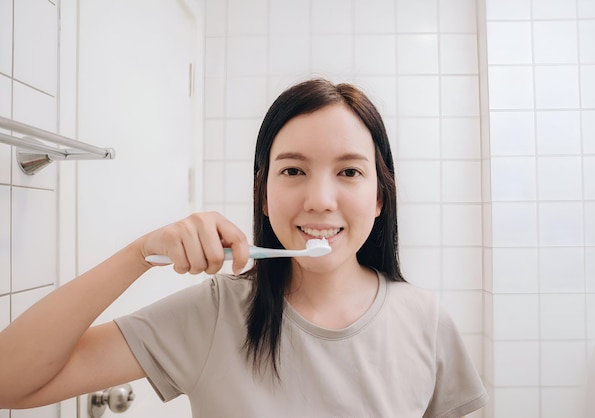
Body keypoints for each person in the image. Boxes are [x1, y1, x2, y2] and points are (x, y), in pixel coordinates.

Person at [0, 78, 488, 417]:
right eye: (293, 170)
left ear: (380, 197)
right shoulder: (215, 314)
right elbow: (9, 382)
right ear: (265, 195)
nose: (320, 200)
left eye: (349, 171)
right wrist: (139, 253)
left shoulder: (426, 322)